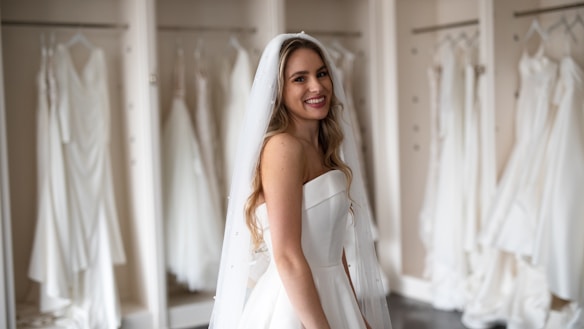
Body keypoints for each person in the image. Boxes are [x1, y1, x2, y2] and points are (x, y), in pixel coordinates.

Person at [209, 32, 392, 329]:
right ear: (279, 89)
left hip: (335, 293)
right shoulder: (283, 148)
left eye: (321, 74)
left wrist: (357, 316)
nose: (317, 86)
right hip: (295, 306)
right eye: (299, 79)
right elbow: (287, 255)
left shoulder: (322, 146)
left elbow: (334, 248)